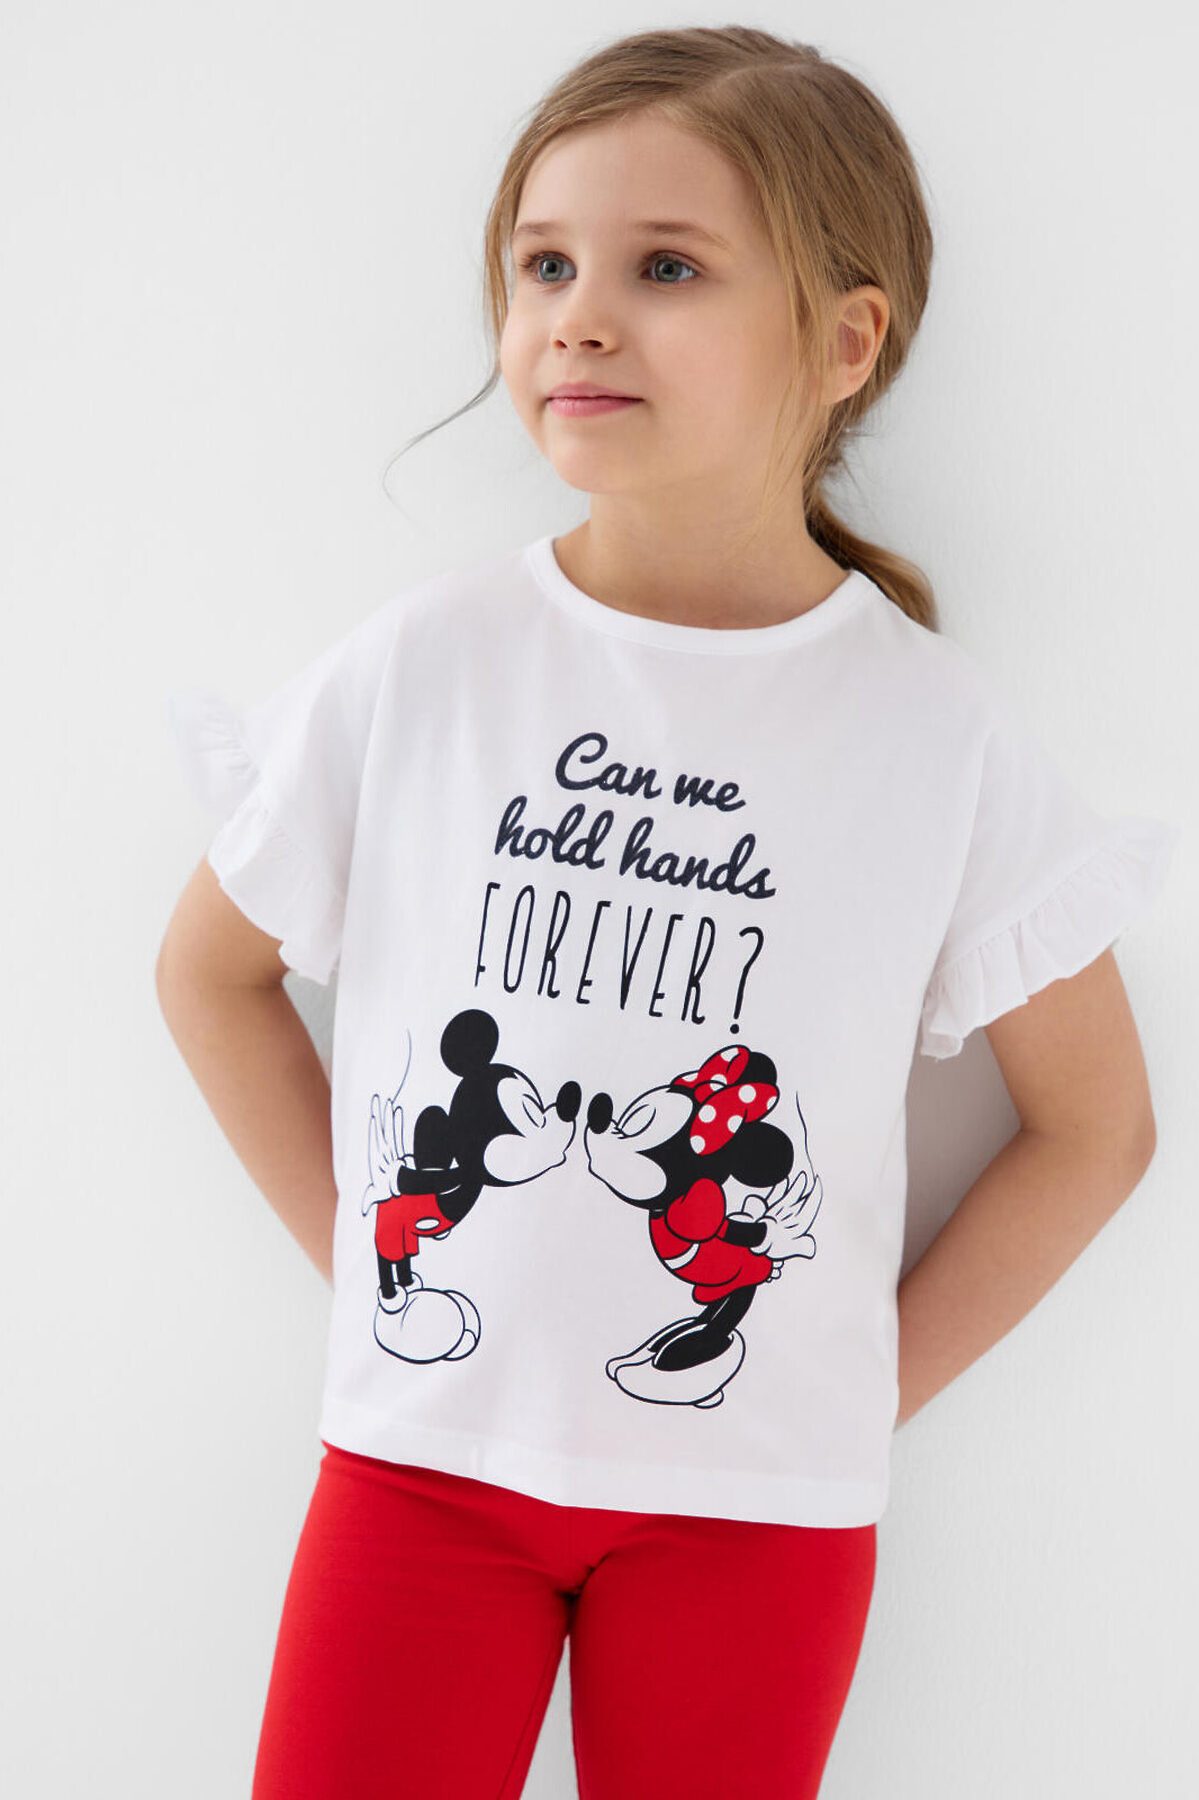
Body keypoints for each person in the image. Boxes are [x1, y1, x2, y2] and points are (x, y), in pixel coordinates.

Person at [156, 26, 1179, 1800]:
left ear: (845, 343)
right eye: (544, 265)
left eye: (667, 268)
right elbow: (209, 973)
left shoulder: (931, 736)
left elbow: (1097, 1125)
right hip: (418, 1477)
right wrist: (375, 1277)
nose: (579, 318)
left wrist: (860, 1388)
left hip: (754, 1511)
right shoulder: (429, 667)